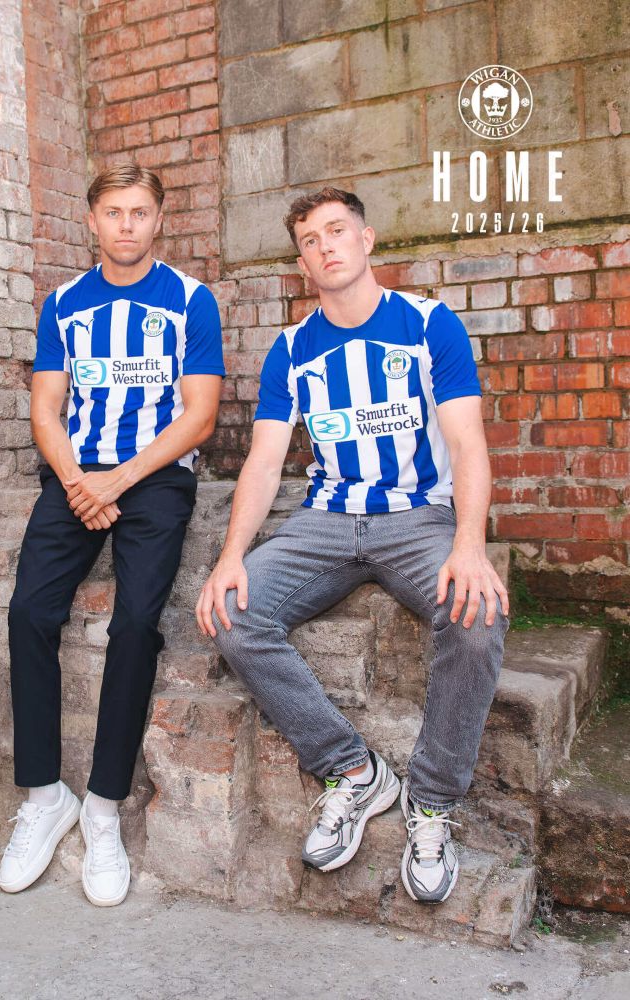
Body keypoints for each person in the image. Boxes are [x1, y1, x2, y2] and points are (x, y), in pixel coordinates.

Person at [196, 187, 509, 905]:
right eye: (310, 240)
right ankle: (354, 771)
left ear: (366, 240)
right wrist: (231, 556)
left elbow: (468, 443)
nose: (326, 246)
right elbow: (264, 461)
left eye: (337, 231)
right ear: (302, 263)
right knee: (232, 613)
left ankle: (431, 801)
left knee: (478, 617)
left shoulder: (428, 325)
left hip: (417, 517)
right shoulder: (291, 349)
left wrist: (469, 543)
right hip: (326, 521)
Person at [0, 164, 224, 907]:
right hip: (75, 474)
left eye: (140, 212)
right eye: (114, 212)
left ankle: (102, 808)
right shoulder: (65, 304)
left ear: (159, 219)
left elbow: (199, 416)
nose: (127, 225)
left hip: (153, 477)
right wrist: (78, 483)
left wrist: (117, 482)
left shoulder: (189, 300)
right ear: (91, 220)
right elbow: (46, 409)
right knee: (29, 612)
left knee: (133, 625)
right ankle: (44, 797)